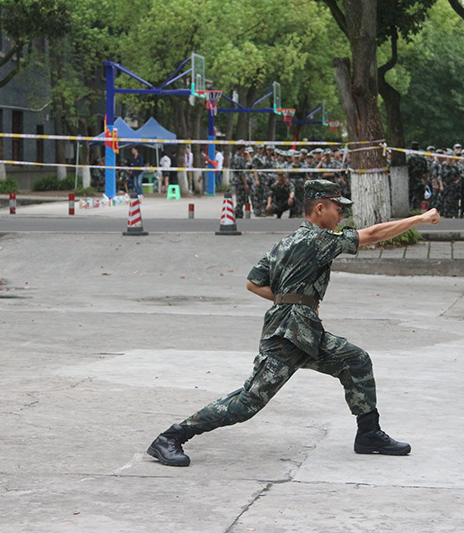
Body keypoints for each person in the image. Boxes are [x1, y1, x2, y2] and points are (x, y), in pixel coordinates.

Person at [147, 179, 442, 467]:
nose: (342, 214)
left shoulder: (286, 243)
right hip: (288, 335)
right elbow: (374, 234)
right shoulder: (317, 239)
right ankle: (172, 437)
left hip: (304, 330)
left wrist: (288, 298)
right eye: (338, 208)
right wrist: (420, 218)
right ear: (320, 209)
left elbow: (253, 282)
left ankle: (369, 434)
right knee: (249, 402)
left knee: (356, 360)